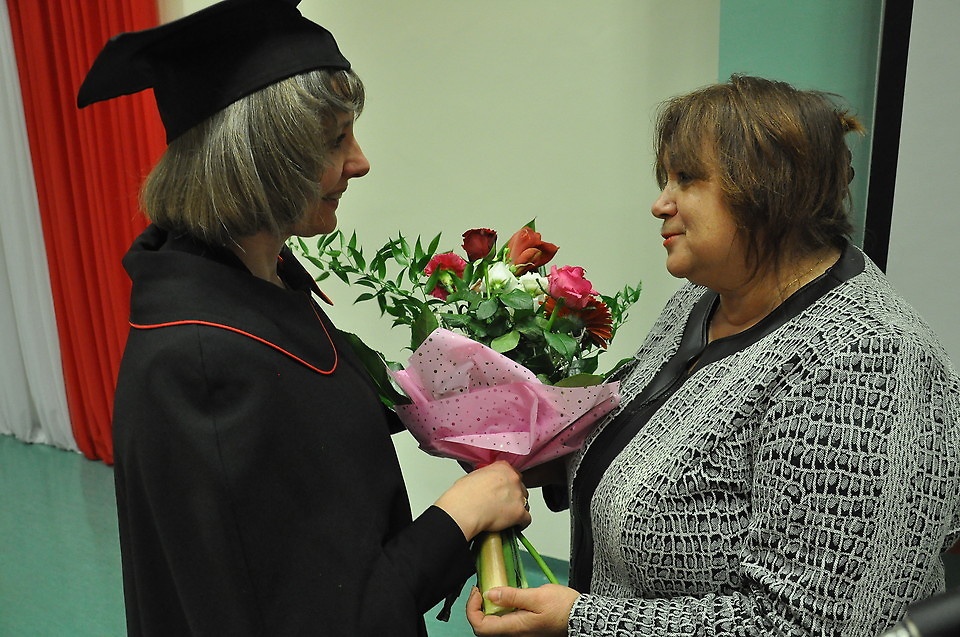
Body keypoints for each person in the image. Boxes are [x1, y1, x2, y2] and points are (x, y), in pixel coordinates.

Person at [77, 1, 531, 635]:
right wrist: (458, 518)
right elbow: (318, 617)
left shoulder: (256, 286)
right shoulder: (204, 365)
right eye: (334, 140)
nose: (360, 161)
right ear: (259, 161)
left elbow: (321, 462)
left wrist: (459, 407)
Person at [466, 75, 960, 636]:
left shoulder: (864, 358)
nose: (660, 204)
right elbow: (645, 448)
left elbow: (804, 625)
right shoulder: (702, 301)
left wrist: (581, 622)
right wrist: (530, 455)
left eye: (687, 179)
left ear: (768, 191)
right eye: (665, 179)